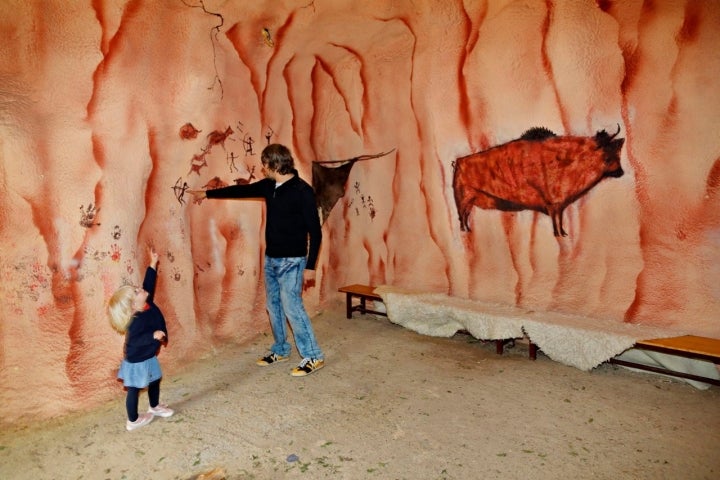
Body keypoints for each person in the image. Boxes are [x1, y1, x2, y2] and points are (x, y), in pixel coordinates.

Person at [188, 143, 325, 377]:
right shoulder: (269, 185)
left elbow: (316, 230)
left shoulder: (302, 191)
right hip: (272, 258)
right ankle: (281, 349)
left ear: (274, 164)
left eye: (264, 164)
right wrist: (207, 193)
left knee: (293, 307)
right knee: (273, 306)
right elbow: (241, 190)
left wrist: (310, 266)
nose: (262, 168)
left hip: (293, 260)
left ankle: (313, 355)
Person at [107, 246, 174, 431]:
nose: (140, 289)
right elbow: (135, 341)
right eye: (136, 292)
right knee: (134, 390)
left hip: (149, 355)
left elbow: (149, 284)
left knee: (154, 380)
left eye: (136, 289)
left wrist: (152, 263)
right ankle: (133, 420)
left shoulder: (146, 303)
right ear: (132, 307)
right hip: (136, 361)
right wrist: (152, 336)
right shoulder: (135, 322)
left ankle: (154, 406)